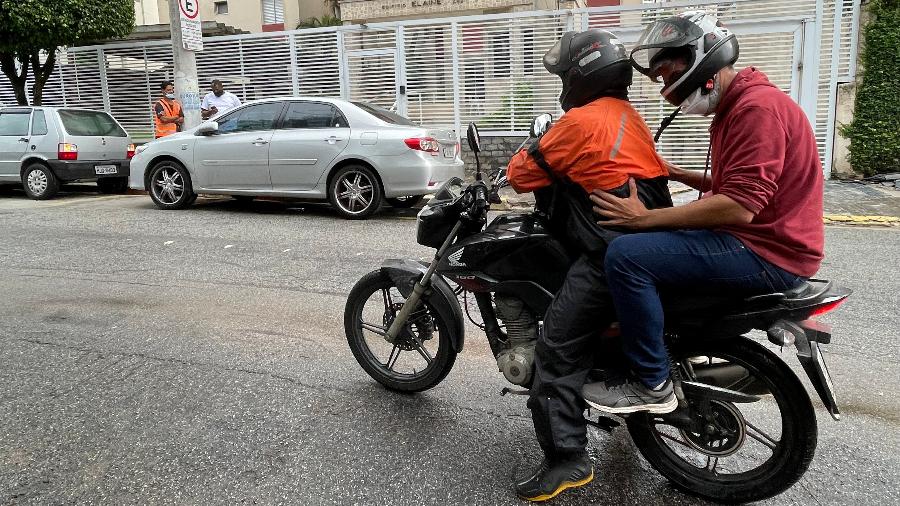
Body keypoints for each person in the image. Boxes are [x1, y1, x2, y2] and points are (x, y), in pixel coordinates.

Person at [583, 11, 824, 414]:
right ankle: (670, 351)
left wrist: (641, 219)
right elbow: (741, 186)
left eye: (664, 76)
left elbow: (741, 205)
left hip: (767, 251)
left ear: (697, 61)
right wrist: (678, 173)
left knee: (626, 256)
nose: (665, 90)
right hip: (768, 241)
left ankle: (651, 383)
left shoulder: (756, 110)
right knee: (652, 246)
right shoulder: (741, 104)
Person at [505, 29, 672, 502]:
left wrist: (532, 147)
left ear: (580, 75)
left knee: (555, 347)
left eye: (564, 74)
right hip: (652, 238)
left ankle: (567, 460)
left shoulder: (579, 122)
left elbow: (520, 175)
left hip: (610, 249)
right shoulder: (627, 115)